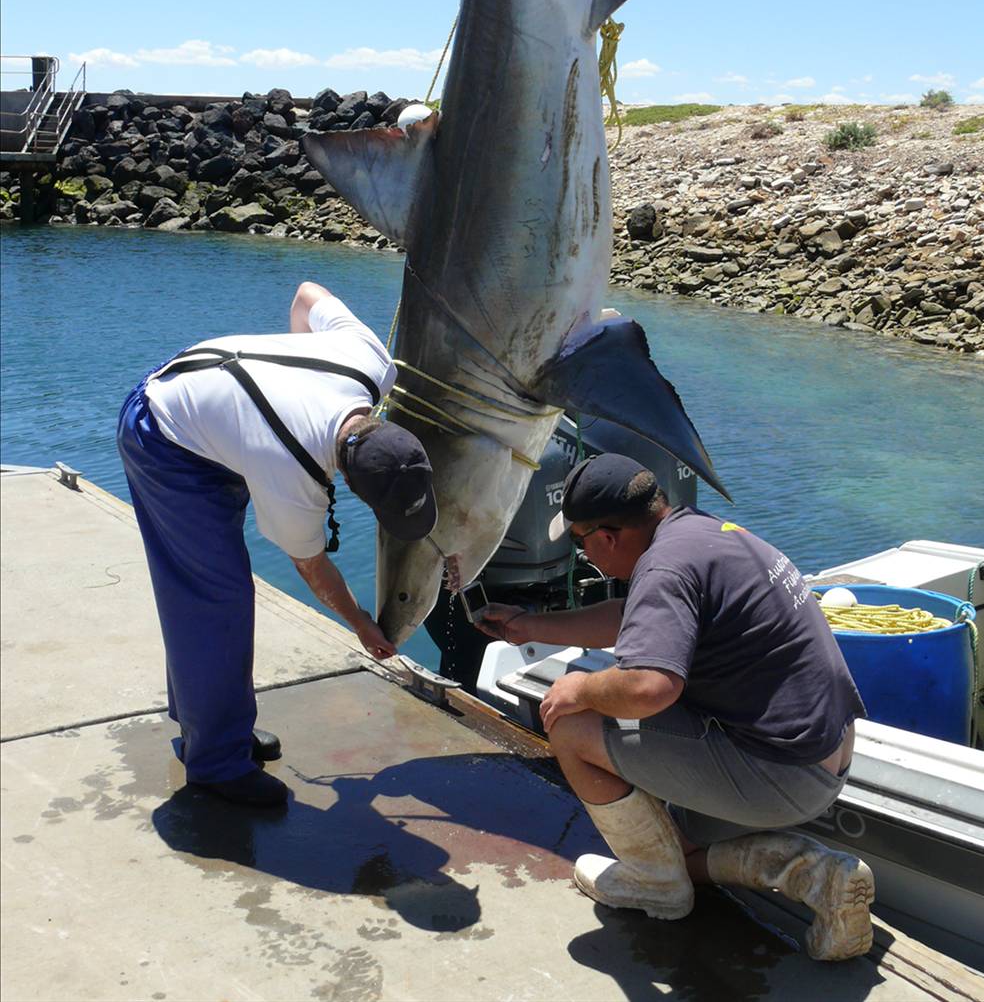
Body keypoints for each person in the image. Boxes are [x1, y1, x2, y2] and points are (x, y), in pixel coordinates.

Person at [476, 453, 873, 961]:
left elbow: (650, 686)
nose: (584, 556)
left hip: (783, 774)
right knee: (676, 838)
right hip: (824, 752)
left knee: (572, 721)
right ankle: (817, 876)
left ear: (607, 537)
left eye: (579, 542)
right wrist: (531, 626)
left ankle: (655, 884)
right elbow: (634, 616)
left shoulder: (665, 566)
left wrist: (579, 690)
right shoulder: (701, 532)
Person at [117, 281, 437, 808]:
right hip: (164, 434)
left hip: (216, 406)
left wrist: (285, 404)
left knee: (213, 600)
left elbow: (307, 294)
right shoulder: (294, 471)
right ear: (351, 488)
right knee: (214, 601)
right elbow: (312, 567)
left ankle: (210, 727)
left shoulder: (373, 363)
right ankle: (216, 765)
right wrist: (361, 623)